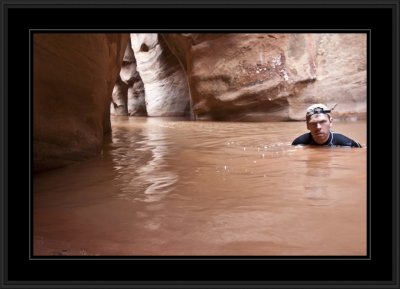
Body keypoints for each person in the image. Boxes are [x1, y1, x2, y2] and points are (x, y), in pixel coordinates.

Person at [292, 103, 362, 147]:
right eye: (313, 123)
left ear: (330, 122)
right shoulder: (298, 143)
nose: (318, 127)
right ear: (307, 125)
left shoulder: (347, 144)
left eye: (322, 122)